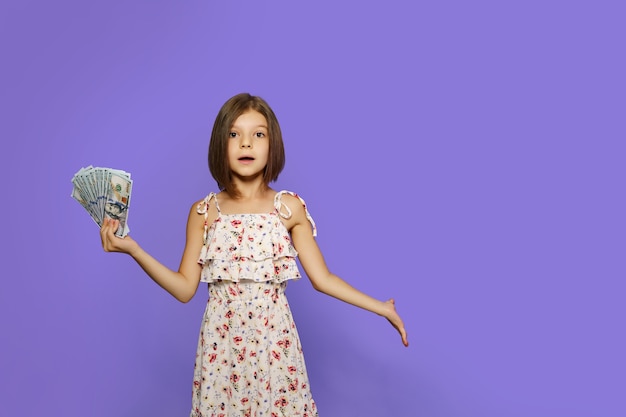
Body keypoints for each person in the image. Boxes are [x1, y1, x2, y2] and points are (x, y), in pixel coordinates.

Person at [100, 92, 409, 416]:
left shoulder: (288, 208)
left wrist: (382, 308)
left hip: (273, 347)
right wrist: (134, 249)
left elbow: (323, 279)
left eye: (258, 134)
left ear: (272, 145)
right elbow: (184, 289)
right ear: (221, 144)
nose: (246, 143)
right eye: (234, 134)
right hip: (222, 353)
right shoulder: (204, 212)